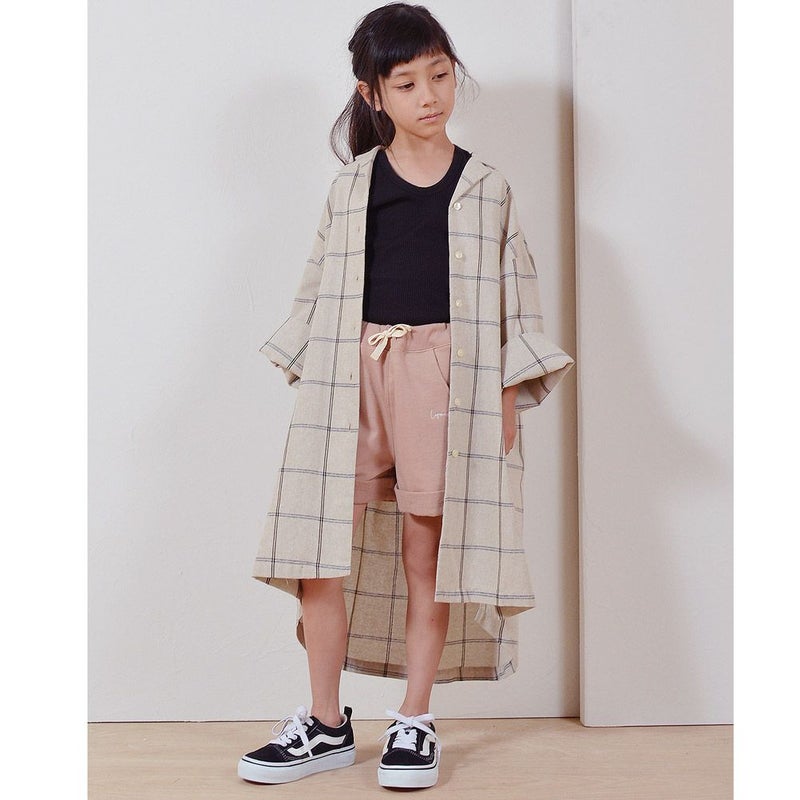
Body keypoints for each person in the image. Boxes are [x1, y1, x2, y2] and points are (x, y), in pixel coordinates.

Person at [238, 1, 575, 790]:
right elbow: (320, 286)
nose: (429, 95)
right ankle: (326, 723)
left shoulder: (486, 187)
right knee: (319, 553)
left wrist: (505, 395)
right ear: (372, 95)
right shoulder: (352, 186)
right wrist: (315, 385)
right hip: (351, 375)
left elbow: (515, 298)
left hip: (443, 381)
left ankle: (414, 719)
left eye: (440, 75)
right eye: (407, 83)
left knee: (430, 554)